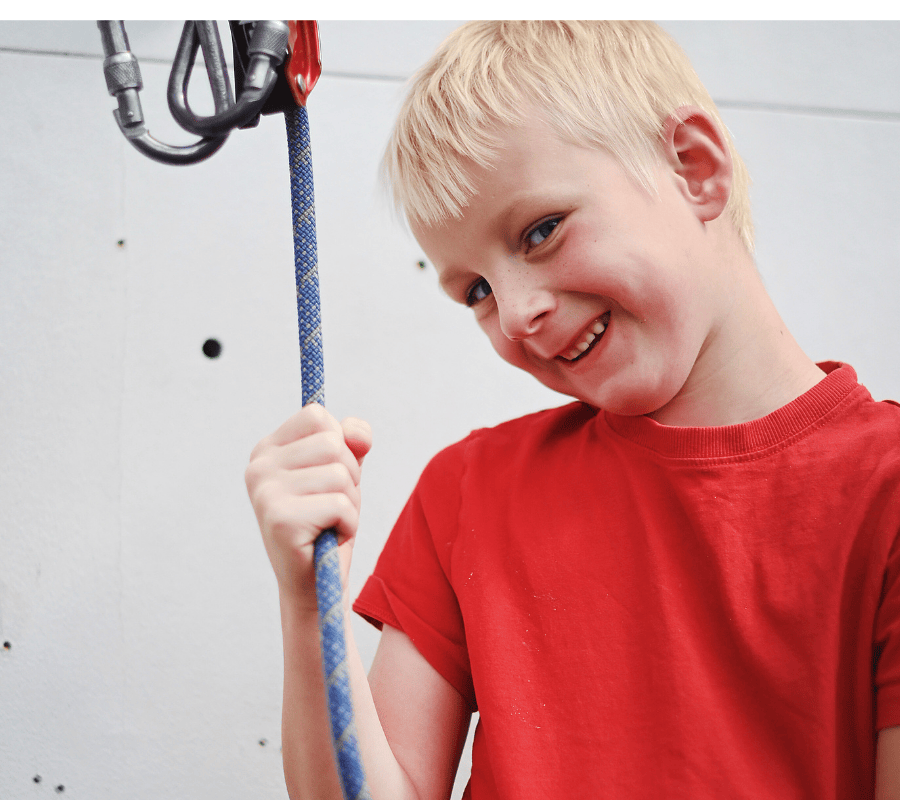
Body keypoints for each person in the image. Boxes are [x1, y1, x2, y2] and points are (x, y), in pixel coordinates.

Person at [244, 21, 900, 799]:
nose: (516, 313)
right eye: (476, 292)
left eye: (541, 231)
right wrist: (302, 598)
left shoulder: (883, 493)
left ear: (694, 170)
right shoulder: (469, 492)